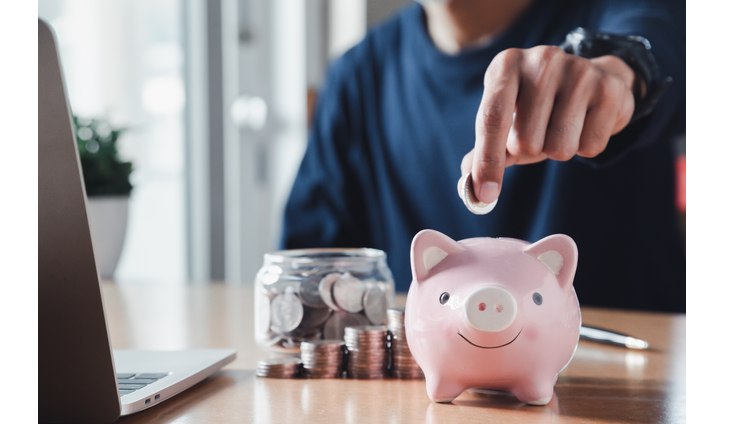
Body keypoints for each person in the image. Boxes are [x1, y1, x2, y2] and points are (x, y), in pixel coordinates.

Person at [280, 0, 685, 313]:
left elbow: (657, 42)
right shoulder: (356, 77)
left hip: (621, 391)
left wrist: (618, 72)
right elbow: (306, 274)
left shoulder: (620, 14)